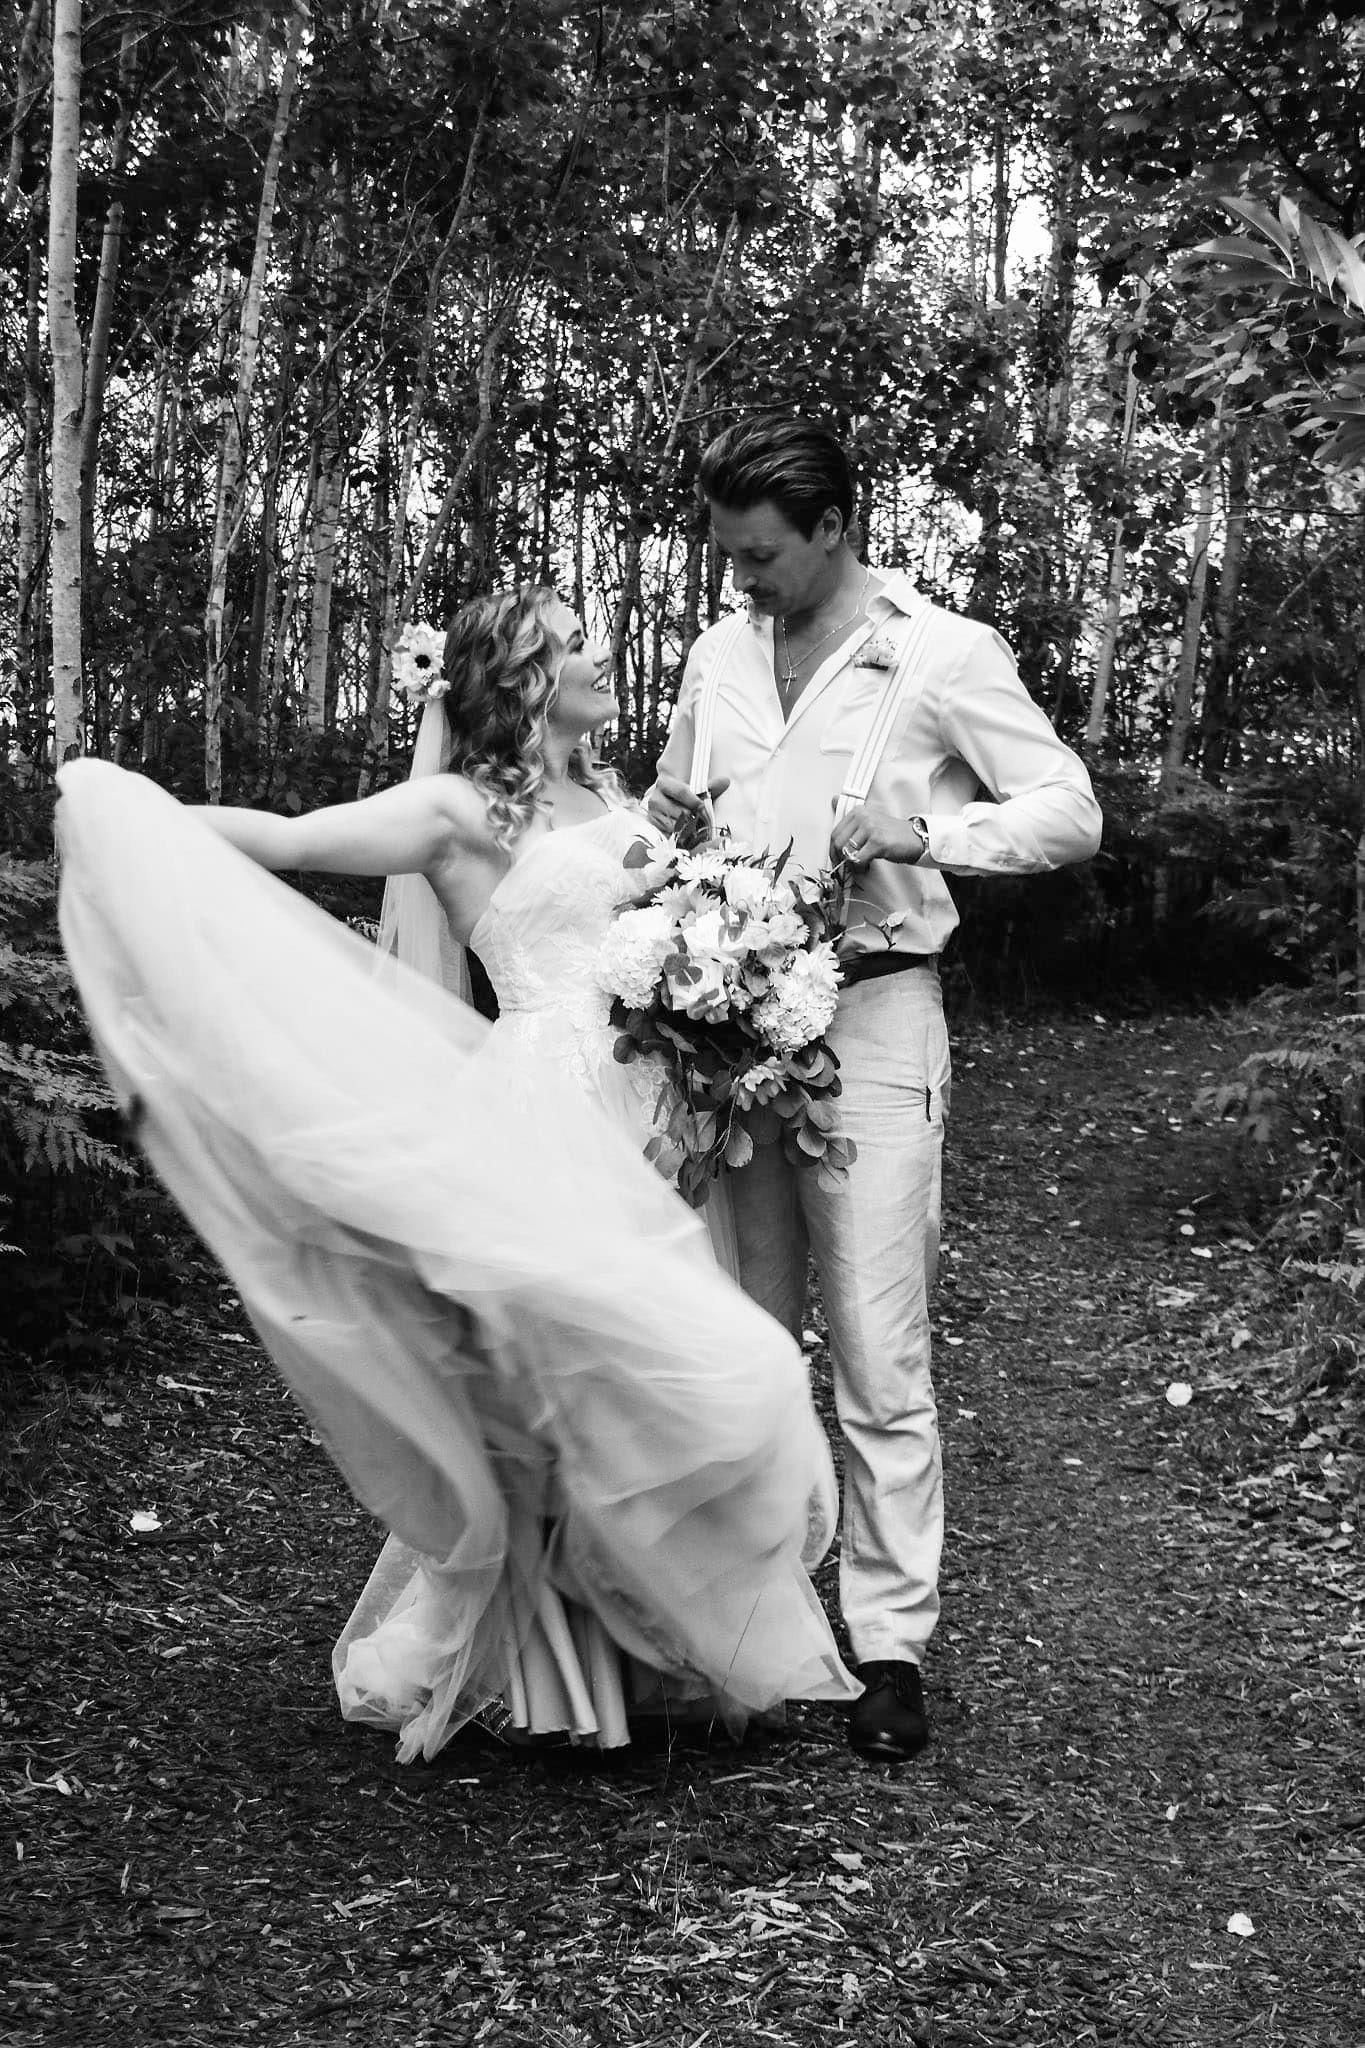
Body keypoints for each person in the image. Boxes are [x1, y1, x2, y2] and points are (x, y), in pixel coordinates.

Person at [55, 583, 858, 1763]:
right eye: (575, 643)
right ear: (525, 679)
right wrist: (121, 807)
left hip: (649, 1115)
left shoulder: (616, 798)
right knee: (576, 1384)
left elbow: (647, 947)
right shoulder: (453, 810)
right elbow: (290, 839)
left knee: (628, 1386)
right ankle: (546, 1675)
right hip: (547, 1113)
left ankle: (636, 1656)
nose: (601, 655)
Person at [649, 416, 1103, 1764]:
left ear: (835, 526)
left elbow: (1070, 809)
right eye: (727, 556)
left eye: (760, 556)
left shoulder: (943, 652)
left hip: (878, 1013)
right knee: (744, 1335)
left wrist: (929, 833)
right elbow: (674, 806)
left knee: (876, 1342)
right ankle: (756, 1620)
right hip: (726, 1032)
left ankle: (889, 1643)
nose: (739, 580)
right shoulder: (717, 652)